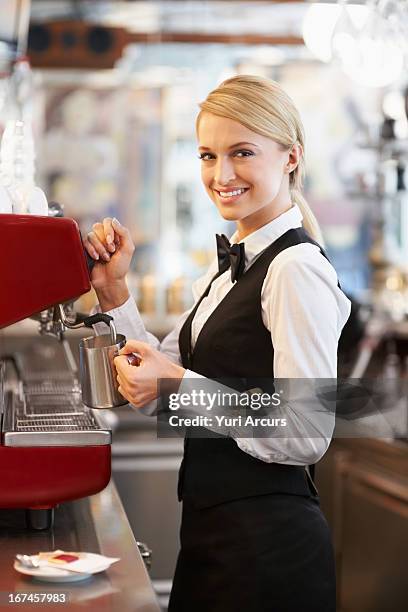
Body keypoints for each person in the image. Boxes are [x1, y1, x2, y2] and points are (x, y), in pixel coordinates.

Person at [84, 74, 351, 612]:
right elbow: (158, 377)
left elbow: (307, 431)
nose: (221, 174)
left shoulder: (295, 268)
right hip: (216, 535)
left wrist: (179, 385)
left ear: (291, 158)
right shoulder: (231, 264)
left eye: (242, 152)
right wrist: (113, 289)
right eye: (208, 155)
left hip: (269, 552)